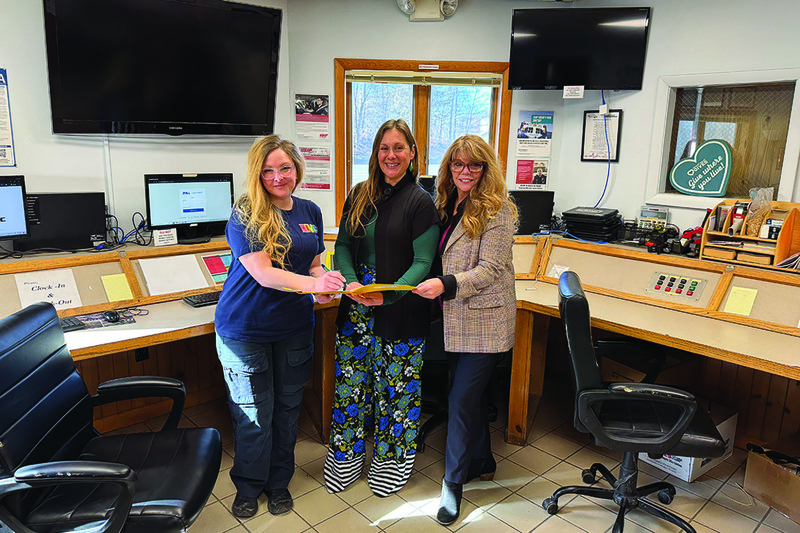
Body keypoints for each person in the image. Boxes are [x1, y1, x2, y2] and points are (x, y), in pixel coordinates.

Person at [214, 135, 346, 519]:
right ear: (257, 174)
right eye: (268, 170)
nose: (277, 177)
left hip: (293, 328)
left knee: (288, 409)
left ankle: (277, 484)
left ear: (297, 169)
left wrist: (323, 286)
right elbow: (265, 274)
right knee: (253, 413)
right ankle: (249, 485)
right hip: (245, 329)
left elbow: (315, 266)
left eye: (284, 168)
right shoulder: (246, 213)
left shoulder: (310, 210)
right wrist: (314, 285)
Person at [323, 119, 440, 497]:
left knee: (396, 388)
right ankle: (346, 455)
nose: (391, 155)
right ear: (376, 153)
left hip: (401, 303)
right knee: (351, 385)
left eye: (399, 148)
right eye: (384, 148)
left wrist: (387, 296)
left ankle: (391, 459)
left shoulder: (421, 201)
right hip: (356, 301)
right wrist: (353, 282)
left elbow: (423, 263)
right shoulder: (358, 194)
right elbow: (341, 246)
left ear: (412, 154)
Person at [413, 134, 518, 525]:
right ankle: (484, 462)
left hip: (485, 318)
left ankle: (452, 484)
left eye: (474, 165)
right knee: (465, 395)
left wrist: (445, 284)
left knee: (459, 400)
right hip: (456, 317)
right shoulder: (445, 201)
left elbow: (490, 269)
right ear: (449, 167)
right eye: (458, 164)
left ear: (486, 168)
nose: (465, 171)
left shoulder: (499, 209)